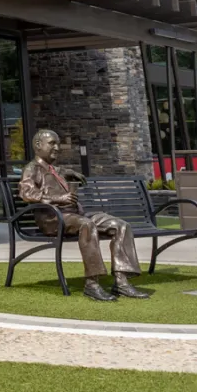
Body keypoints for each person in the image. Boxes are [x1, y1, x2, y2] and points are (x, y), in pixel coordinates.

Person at [18, 128, 151, 301]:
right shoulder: (31, 169)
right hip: (53, 218)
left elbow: (59, 171)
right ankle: (92, 284)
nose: (57, 148)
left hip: (74, 214)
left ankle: (121, 281)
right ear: (38, 145)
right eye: (52, 143)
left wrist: (70, 173)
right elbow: (26, 194)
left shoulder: (54, 169)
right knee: (87, 224)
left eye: (58, 144)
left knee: (121, 226)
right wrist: (60, 197)